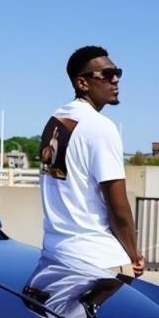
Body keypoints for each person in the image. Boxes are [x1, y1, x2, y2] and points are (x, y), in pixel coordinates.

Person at [41, 46, 145, 277]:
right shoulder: (100, 126)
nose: (115, 79)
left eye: (117, 72)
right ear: (82, 83)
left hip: (56, 253)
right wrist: (133, 255)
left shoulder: (55, 121)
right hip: (99, 261)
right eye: (106, 74)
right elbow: (118, 205)